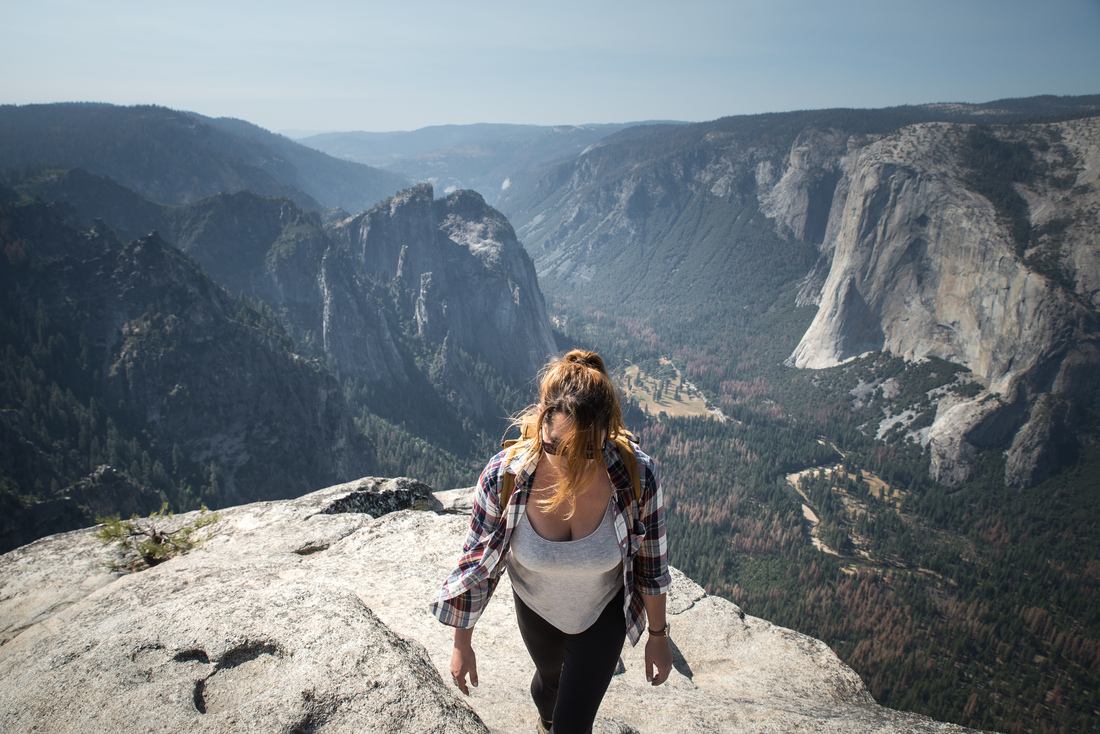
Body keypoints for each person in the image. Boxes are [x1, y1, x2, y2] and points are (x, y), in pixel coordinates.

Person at [428, 348, 673, 734]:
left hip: (601, 614)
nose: (566, 461)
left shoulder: (636, 476)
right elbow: (477, 565)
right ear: (542, 423)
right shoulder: (504, 477)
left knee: (572, 725)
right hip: (536, 609)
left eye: (584, 451)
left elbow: (652, 567)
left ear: (607, 432)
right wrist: (462, 643)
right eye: (555, 446)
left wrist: (658, 636)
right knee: (548, 687)